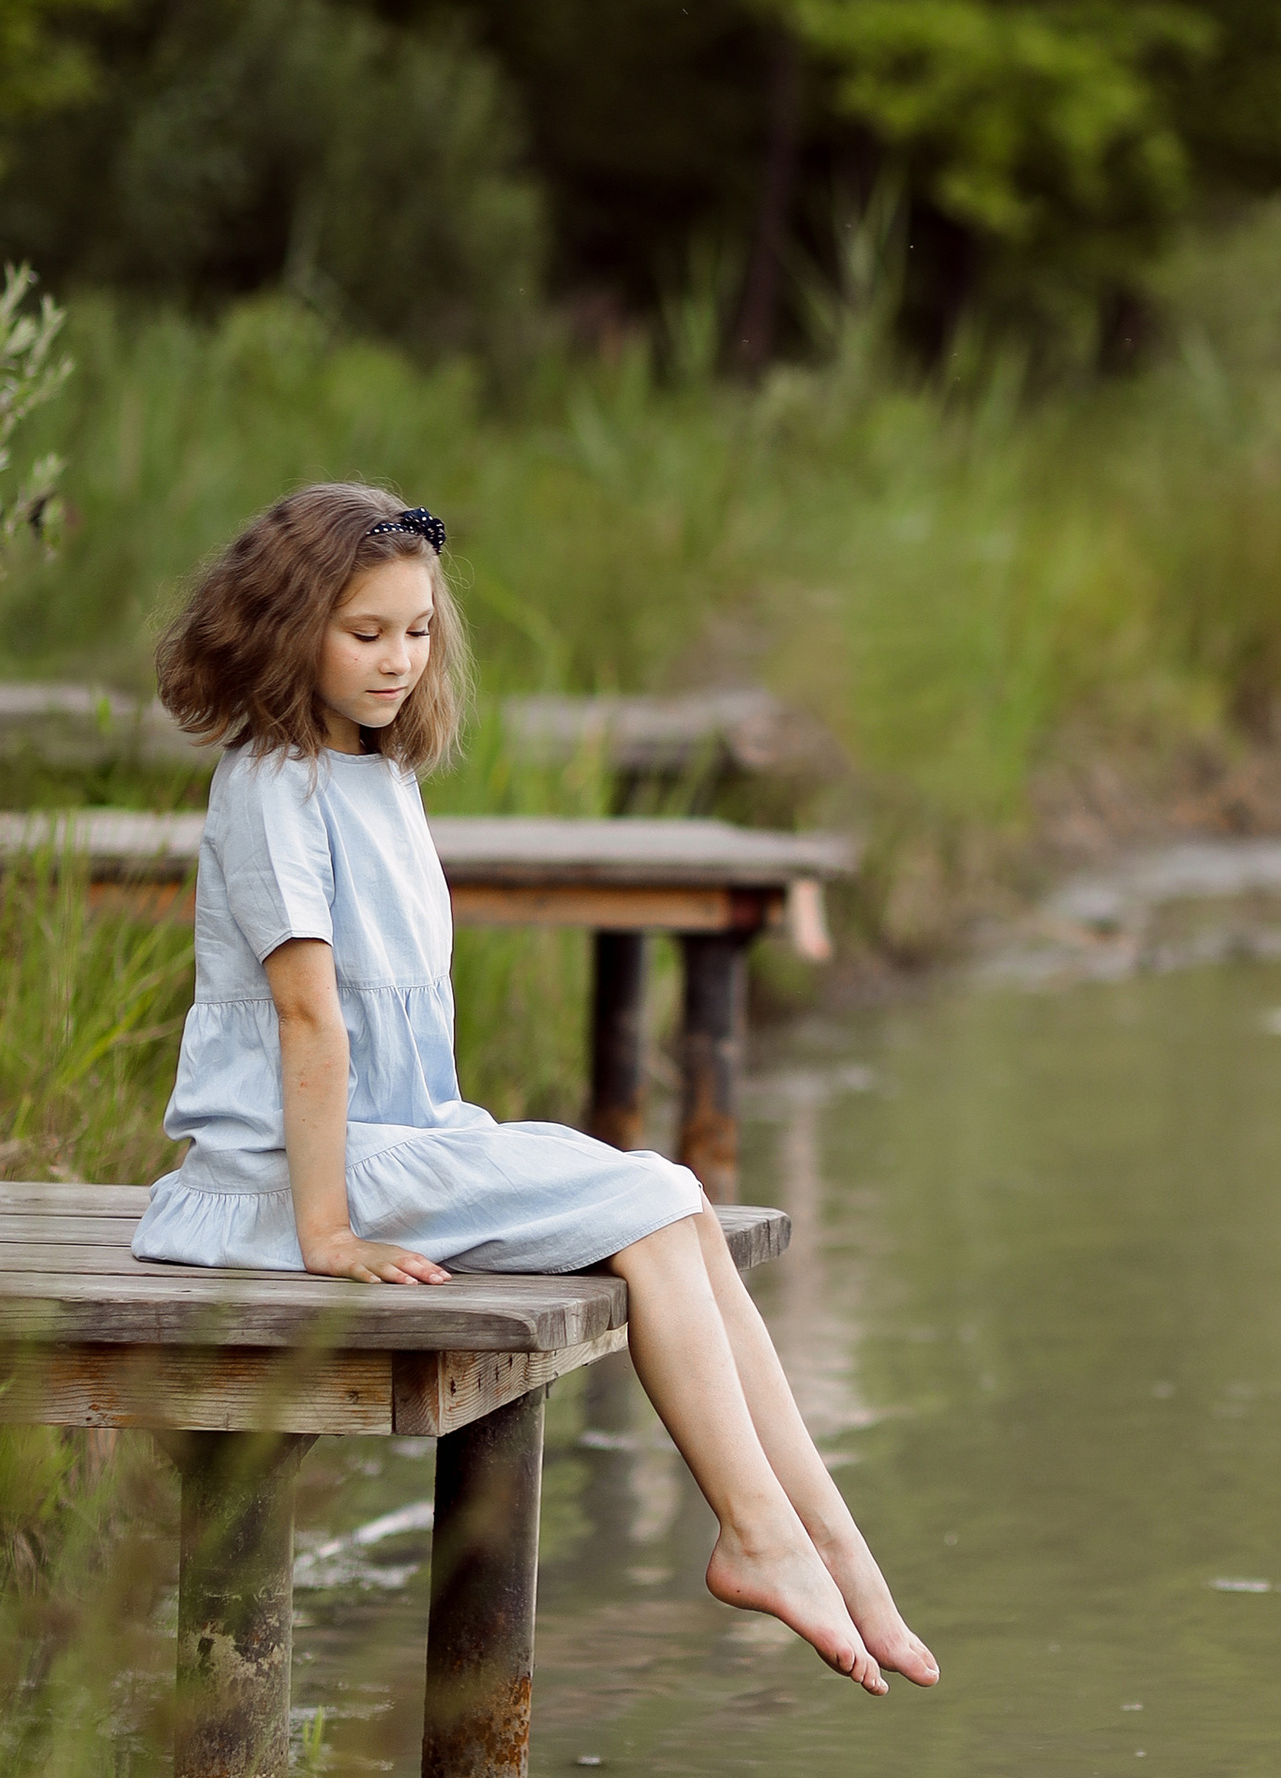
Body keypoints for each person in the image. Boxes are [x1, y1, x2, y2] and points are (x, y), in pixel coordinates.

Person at [132, 481, 936, 1697]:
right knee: (660, 1211)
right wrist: (328, 1235)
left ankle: (831, 1545)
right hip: (297, 1179)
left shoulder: (377, 775)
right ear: (284, 627)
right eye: (365, 634)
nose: (398, 660)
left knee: (674, 1201)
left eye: (415, 630)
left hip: (402, 1141)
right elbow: (306, 1016)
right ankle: (755, 1537)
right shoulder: (271, 787)